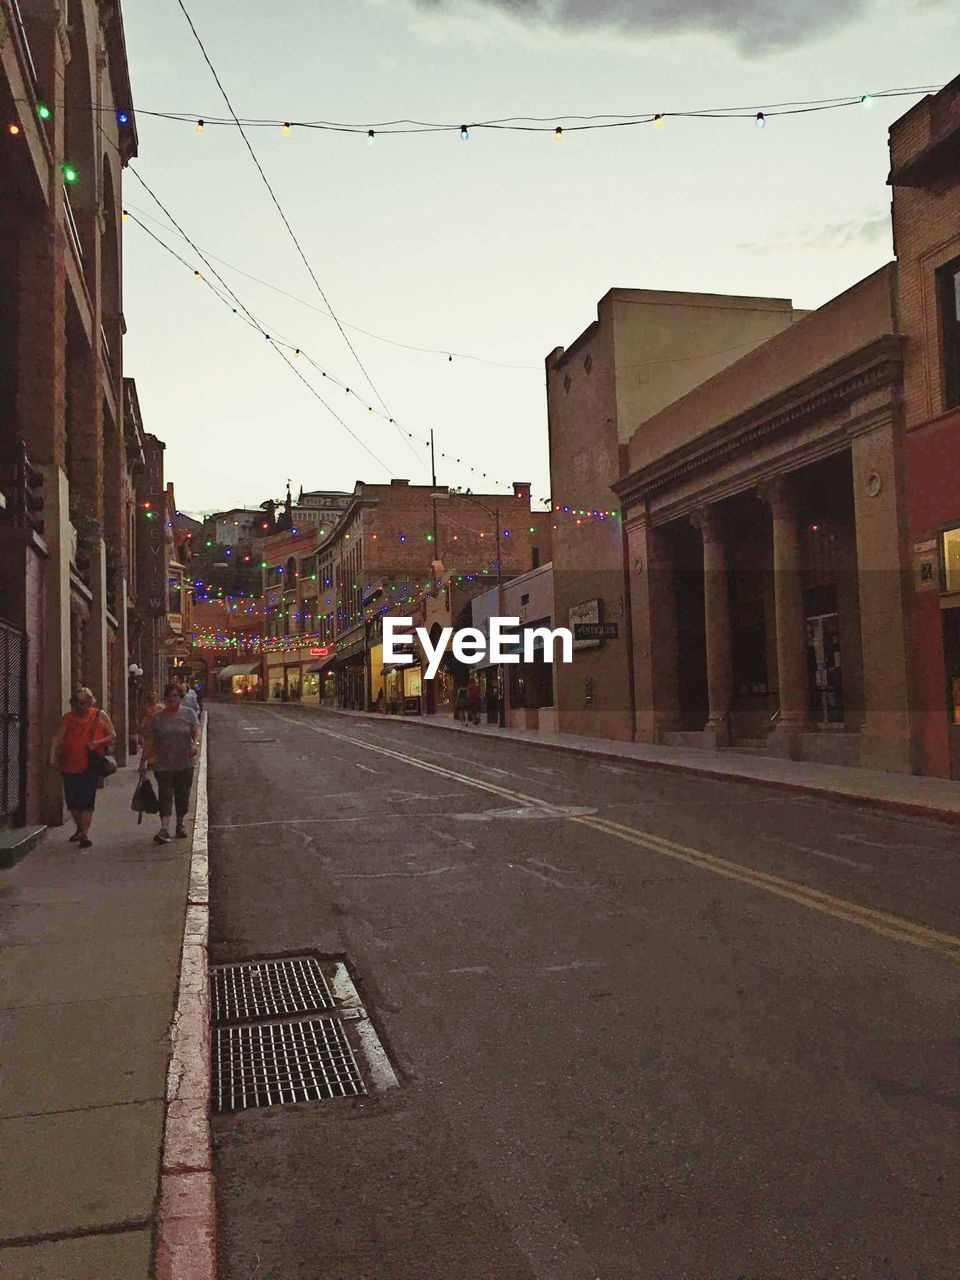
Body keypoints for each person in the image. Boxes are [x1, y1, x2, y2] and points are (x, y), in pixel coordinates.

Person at [50, 687, 117, 849]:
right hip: (68, 764)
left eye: (83, 704)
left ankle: (85, 834)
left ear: (89, 702)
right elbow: (58, 738)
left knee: (87, 798)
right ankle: (79, 828)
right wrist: (52, 755)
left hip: (90, 763)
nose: (80, 707)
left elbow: (113, 735)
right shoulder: (68, 718)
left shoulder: (99, 716)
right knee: (72, 799)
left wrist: (98, 743)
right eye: (77, 704)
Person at [142, 682, 201, 845]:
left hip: (184, 763)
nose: (171, 699)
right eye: (169, 696)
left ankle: (180, 823)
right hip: (163, 764)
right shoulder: (158, 718)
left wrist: (195, 745)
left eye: (175, 695)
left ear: (180, 698)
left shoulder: (189, 714)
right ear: (165, 698)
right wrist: (144, 761)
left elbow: (196, 731)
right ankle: (164, 829)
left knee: (182, 795)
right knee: (165, 796)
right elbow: (151, 740)